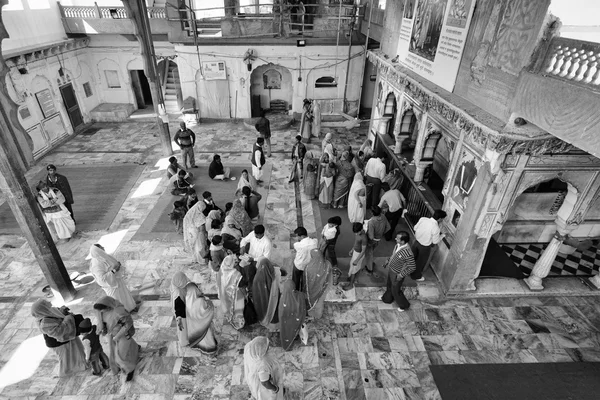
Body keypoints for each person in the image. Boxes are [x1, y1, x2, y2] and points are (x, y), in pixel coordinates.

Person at [31, 299, 87, 377]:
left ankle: (80, 365)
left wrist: (62, 311)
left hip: (67, 336)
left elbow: (58, 314)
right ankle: (67, 372)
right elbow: (58, 332)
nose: (50, 305)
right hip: (58, 342)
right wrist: (68, 318)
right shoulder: (44, 323)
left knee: (77, 351)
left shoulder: (48, 311)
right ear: (42, 308)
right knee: (66, 357)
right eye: (47, 305)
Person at [170, 272, 218, 354]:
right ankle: (209, 348)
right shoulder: (191, 292)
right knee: (205, 336)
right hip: (194, 320)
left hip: (188, 320)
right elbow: (204, 308)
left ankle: (192, 343)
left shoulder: (177, 290)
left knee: (191, 332)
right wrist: (208, 302)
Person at [94, 296, 139, 382]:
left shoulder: (119, 312)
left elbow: (128, 324)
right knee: (114, 353)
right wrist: (100, 329)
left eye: (102, 310)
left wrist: (117, 337)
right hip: (112, 334)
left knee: (119, 356)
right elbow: (101, 322)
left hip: (123, 334)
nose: (101, 312)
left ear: (107, 306)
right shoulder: (100, 311)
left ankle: (130, 369)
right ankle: (136, 349)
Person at [89, 244, 137, 312]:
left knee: (124, 295)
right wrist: (114, 271)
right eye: (101, 248)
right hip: (111, 285)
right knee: (118, 299)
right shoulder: (96, 265)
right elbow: (102, 279)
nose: (103, 248)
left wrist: (117, 265)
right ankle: (123, 312)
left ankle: (130, 307)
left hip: (116, 279)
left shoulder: (102, 257)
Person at [381, 231, 416, 311]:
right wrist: (388, 260)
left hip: (397, 274)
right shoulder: (397, 245)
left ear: (403, 241)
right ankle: (387, 299)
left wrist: (401, 275)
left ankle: (404, 305)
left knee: (395, 290)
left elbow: (412, 267)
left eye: (397, 238)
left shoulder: (408, 253)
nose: (395, 239)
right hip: (391, 270)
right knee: (389, 285)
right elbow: (394, 255)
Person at [411, 209, 447, 282]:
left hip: (416, 242)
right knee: (420, 262)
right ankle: (415, 276)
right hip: (424, 247)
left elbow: (415, 228)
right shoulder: (436, 228)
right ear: (440, 219)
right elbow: (435, 241)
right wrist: (443, 235)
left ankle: (407, 271)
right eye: (443, 219)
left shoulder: (423, 219)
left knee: (412, 258)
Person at [217, 254, 246, 330]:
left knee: (227, 307)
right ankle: (238, 323)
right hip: (235, 296)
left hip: (224, 294)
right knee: (237, 309)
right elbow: (241, 285)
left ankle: (229, 318)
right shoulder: (236, 273)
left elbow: (218, 283)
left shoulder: (221, 270)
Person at [252, 257, 282, 331]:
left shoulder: (257, 278)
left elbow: (255, 293)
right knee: (275, 310)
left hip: (263, 300)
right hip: (274, 299)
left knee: (263, 309)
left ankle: (265, 320)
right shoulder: (274, 273)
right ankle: (275, 325)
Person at [279, 280, 306, 351]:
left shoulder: (282, 298)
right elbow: (302, 310)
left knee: (287, 332)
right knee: (295, 330)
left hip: (286, 323)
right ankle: (295, 335)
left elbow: (280, 313)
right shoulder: (300, 296)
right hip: (296, 321)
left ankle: (288, 342)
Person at [304, 249, 332, 320]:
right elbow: (329, 277)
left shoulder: (308, 268)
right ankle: (318, 315)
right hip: (323, 289)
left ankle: (312, 315)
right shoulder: (328, 264)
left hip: (311, 292)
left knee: (312, 303)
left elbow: (306, 283)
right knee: (320, 303)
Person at [365, 206, 391, 275]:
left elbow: (371, 236)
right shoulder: (383, 216)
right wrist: (381, 234)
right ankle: (370, 263)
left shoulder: (371, 222)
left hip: (372, 240)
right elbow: (388, 227)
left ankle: (369, 268)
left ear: (372, 212)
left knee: (369, 253)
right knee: (372, 251)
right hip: (378, 239)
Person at [292, 227, 318, 291]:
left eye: (297, 236)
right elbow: (315, 239)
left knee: (295, 280)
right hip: (308, 265)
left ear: (302, 236)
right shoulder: (315, 242)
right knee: (305, 281)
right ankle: (304, 292)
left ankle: (295, 291)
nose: (296, 238)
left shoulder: (297, 245)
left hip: (298, 265)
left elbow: (295, 249)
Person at [343, 222, 368, 290]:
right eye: (355, 232)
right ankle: (352, 277)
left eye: (357, 232)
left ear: (361, 229)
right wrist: (352, 249)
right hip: (355, 252)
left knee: (354, 269)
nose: (356, 234)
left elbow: (363, 251)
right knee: (352, 265)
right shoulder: (357, 233)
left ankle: (351, 284)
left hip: (359, 255)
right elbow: (356, 243)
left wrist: (357, 260)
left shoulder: (364, 238)